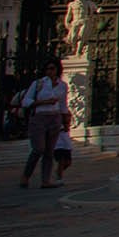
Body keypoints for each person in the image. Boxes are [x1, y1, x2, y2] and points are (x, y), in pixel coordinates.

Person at [19, 58, 70, 189]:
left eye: (52, 68)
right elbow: (26, 101)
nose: (50, 71)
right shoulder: (38, 84)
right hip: (40, 117)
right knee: (38, 149)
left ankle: (45, 180)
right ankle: (26, 175)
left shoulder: (62, 85)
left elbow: (63, 104)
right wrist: (43, 102)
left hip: (55, 117)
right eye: (48, 69)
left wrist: (65, 122)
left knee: (49, 151)